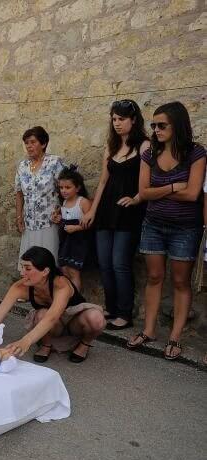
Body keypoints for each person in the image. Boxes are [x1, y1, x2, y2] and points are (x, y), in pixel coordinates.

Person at [128, 102, 206, 360]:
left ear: (177, 125)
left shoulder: (195, 153)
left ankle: (174, 337)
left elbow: (193, 193)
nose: (156, 130)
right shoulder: (150, 153)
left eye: (162, 125)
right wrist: (174, 187)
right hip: (154, 224)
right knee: (154, 277)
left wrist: (157, 192)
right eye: (153, 125)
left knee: (181, 281)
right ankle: (149, 330)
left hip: (186, 228)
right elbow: (144, 192)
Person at [81, 100, 150, 330]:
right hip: (106, 210)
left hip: (129, 212)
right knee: (104, 262)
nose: (117, 123)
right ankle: (110, 308)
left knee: (120, 262)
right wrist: (92, 209)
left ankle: (124, 313)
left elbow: (147, 181)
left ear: (133, 120)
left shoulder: (144, 146)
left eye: (121, 119)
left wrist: (137, 198)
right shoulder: (110, 146)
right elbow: (102, 182)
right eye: (114, 119)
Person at [0, 246, 105, 364]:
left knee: (96, 318)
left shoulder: (61, 284)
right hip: (53, 326)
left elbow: (52, 317)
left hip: (74, 322)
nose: (22, 273)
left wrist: (25, 341)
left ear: (45, 271)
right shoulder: (20, 287)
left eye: (28, 268)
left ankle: (84, 344)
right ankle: (46, 345)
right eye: (22, 267)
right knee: (42, 314)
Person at [15, 126, 67, 263]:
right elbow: (19, 193)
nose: (29, 146)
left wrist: (62, 209)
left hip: (49, 220)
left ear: (43, 143)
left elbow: (68, 188)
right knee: (30, 263)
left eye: (33, 142)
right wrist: (19, 216)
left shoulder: (54, 162)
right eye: (26, 143)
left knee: (47, 263)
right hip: (29, 222)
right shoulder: (22, 166)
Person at [54, 166, 91, 290]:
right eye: (61, 187)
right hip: (65, 242)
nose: (63, 191)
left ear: (78, 187)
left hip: (78, 242)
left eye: (68, 187)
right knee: (64, 270)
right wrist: (59, 219)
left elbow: (91, 223)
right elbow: (63, 218)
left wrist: (76, 228)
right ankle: (66, 298)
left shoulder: (83, 202)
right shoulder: (64, 203)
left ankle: (76, 300)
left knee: (74, 272)